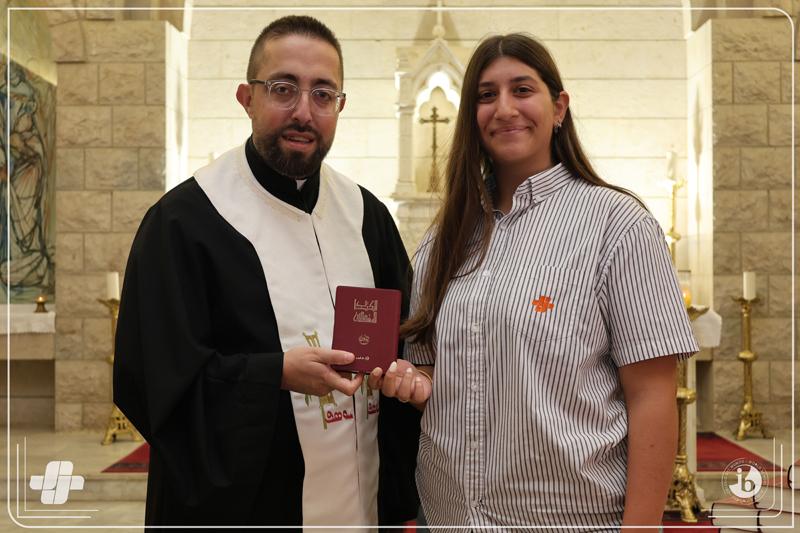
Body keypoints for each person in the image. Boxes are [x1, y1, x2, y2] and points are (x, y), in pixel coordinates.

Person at [382, 33, 699, 531]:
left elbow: (652, 396)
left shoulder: (616, 224)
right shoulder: (445, 238)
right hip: (451, 516)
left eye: (523, 89)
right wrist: (412, 381)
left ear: (559, 108)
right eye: (487, 95)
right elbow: (432, 372)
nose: (504, 108)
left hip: (569, 518)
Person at [113, 15, 420, 529]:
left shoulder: (367, 217)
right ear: (246, 98)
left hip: (362, 506)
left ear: (340, 106)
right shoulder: (184, 223)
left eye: (323, 94)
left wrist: (408, 377)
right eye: (283, 88)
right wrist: (274, 375)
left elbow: (407, 345)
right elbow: (152, 382)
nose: (303, 111)